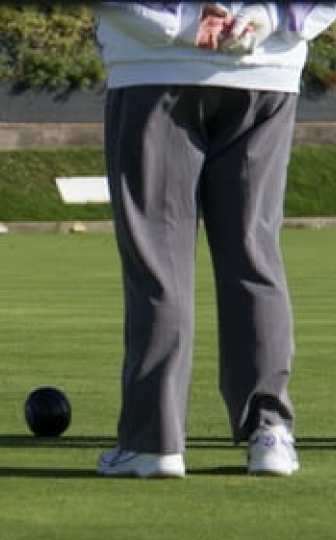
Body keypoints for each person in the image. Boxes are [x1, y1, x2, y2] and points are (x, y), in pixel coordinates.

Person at [94, 2, 336, 478]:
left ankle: (153, 442)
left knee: (159, 260)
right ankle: (270, 433)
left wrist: (181, 26)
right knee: (254, 250)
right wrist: (269, 18)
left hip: (153, 70)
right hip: (266, 72)